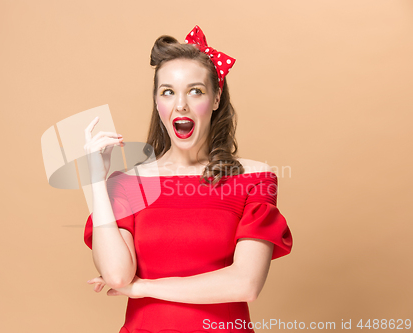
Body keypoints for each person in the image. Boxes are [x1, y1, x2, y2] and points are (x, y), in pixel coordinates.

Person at [82, 25, 293, 333]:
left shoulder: (255, 177)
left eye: (196, 91)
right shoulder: (128, 184)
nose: (180, 104)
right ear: (157, 103)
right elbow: (116, 276)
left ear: (217, 98)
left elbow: (245, 283)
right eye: (168, 92)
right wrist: (96, 181)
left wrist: (143, 288)